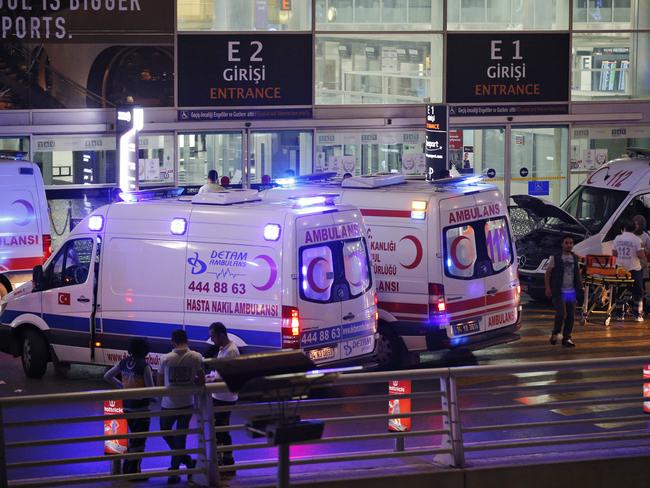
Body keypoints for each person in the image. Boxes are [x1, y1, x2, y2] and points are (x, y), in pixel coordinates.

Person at [158, 329, 205, 484]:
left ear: (173, 341)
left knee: (165, 431)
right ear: (187, 340)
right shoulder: (196, 357)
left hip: (168, 404)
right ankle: (182, 464)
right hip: (187, 402)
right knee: (181, 436)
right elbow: (201, 379)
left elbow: (159, 383)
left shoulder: (165, 358)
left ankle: (176, 468)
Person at [104, 338, 154, 479]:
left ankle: (125, 469)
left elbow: (107, 376)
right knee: (139, 441)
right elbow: (151, 389)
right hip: (141, 410)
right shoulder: (144, 366)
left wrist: (123, 387)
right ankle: (133, 472)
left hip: (126, 407)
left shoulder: (124, 363)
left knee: (127, 440)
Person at [204, 322, 240, 469]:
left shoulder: (231, 351)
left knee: (220, 427)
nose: (211, 340)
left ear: (221, 335)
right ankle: (225, 457)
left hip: (224, 397)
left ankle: (225, 457)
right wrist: (212, 376)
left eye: (213, 336)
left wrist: (212, 379)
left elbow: (228, 376)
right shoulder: (223, 349)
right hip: (219, 395)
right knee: (220, 427)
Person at [545, 234, 583, 347]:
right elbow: (548, 273)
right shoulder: (556, 258)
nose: (569, 245)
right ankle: (555, 333)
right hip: (559, 290)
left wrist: (580, 287)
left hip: (571, 291)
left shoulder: (575, 258)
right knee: (561, 313)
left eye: (571, 243)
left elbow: (577, 274)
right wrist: (548, 288)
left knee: (571, 315)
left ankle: (567, 338)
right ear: (562, 244)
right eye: (566, 243)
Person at [613, 220, 645, 322]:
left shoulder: (617, 238)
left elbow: (614, 253)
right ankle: (637, 315)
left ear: (624, 228)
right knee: (638, 291)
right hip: (634, 268)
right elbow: (640, 255)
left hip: (621, 268)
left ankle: (619, 314)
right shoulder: (637, 239)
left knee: (620, 290)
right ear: (634, 228)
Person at [633, 214, 650, 311]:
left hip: (641, 265)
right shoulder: (630, 235)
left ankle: (641, 309)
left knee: (641, 287)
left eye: (637, 224)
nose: (635, 226)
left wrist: (643, 249)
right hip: (631, 265)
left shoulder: (646, 236)